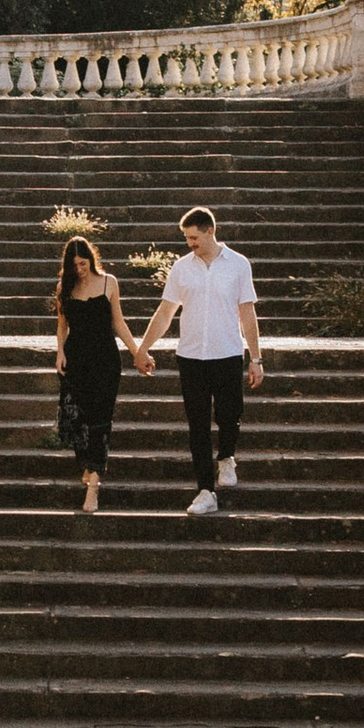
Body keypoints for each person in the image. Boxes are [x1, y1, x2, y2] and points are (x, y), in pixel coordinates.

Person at [133, 205, 262, 515]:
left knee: (230, 414)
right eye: (186, 238)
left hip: (228, 353)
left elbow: (247, 312)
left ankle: (227, 456)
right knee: (198, 425)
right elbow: (165, 312)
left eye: (194, 237)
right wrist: (143, 348)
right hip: (191, 356)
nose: (190, 243)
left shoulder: (238, 265)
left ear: (210, 231)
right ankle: (205, 490)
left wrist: (256, 357)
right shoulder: (182, 268)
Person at [51, 234, 139, 514]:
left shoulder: (109, 282)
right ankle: (88, 464)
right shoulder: (64, 287)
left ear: (91, 258)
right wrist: (60, 352)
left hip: (105, 361)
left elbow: (119, 322)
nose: (80, 268)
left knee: (100, 422)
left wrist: (138, 352)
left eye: (83, 262)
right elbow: (62, 326)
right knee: (77, 419)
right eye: (74, 264)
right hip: (76, 360)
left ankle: (93, 486)